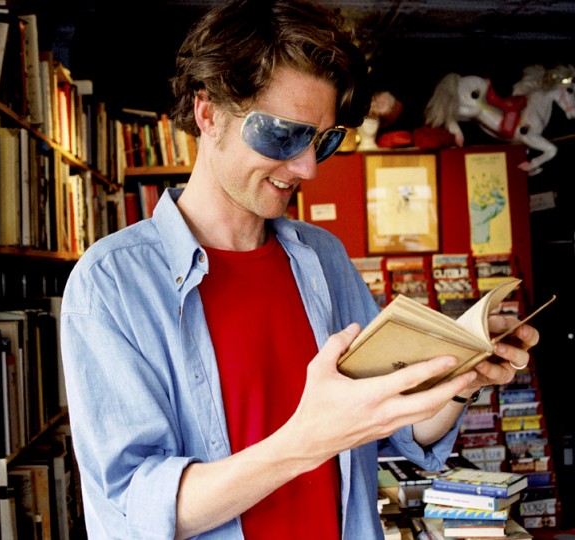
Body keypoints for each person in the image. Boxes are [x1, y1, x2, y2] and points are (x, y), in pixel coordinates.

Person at [60, 0, 540, 538]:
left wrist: (459, 378)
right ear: (208, 113)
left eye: (323, 141)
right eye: (282, 135)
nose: (307, 166)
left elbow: (404, 429)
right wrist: (304, 442)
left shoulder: (324, 258)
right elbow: (131, 512)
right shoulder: (112, 285)